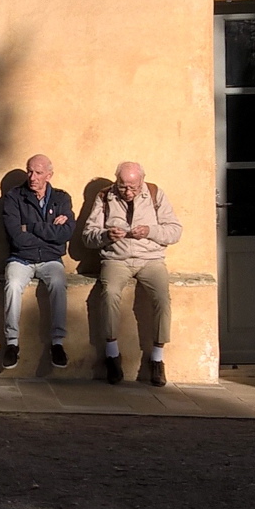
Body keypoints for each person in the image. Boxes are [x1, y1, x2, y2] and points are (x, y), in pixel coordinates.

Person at [83, 161, 182, 386]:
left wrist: (150, 231)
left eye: (133, 187)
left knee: (162, 299)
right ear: (116, 181)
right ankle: (112, 354)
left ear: (142, 182)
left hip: (150, 259)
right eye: (122, 186)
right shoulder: (104, 197)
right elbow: (88, 236)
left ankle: (157, 359)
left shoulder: (156, 194)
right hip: (116, 259)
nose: (128, 192)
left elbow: (175, 231)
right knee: (109, 293)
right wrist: (107, 236)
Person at [0, 154, 74, 370]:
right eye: (29, 171)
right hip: (21, 258)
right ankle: (12, 343)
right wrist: (49, 230)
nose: (32, 177)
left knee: (59, 284)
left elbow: (66, 233)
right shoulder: (14, 197)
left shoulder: (61, 198)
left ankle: (58, 343)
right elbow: (16, 235)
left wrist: (31, 226)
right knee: (12, 285)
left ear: (49, 175)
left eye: (38, 173)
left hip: (51, 258)